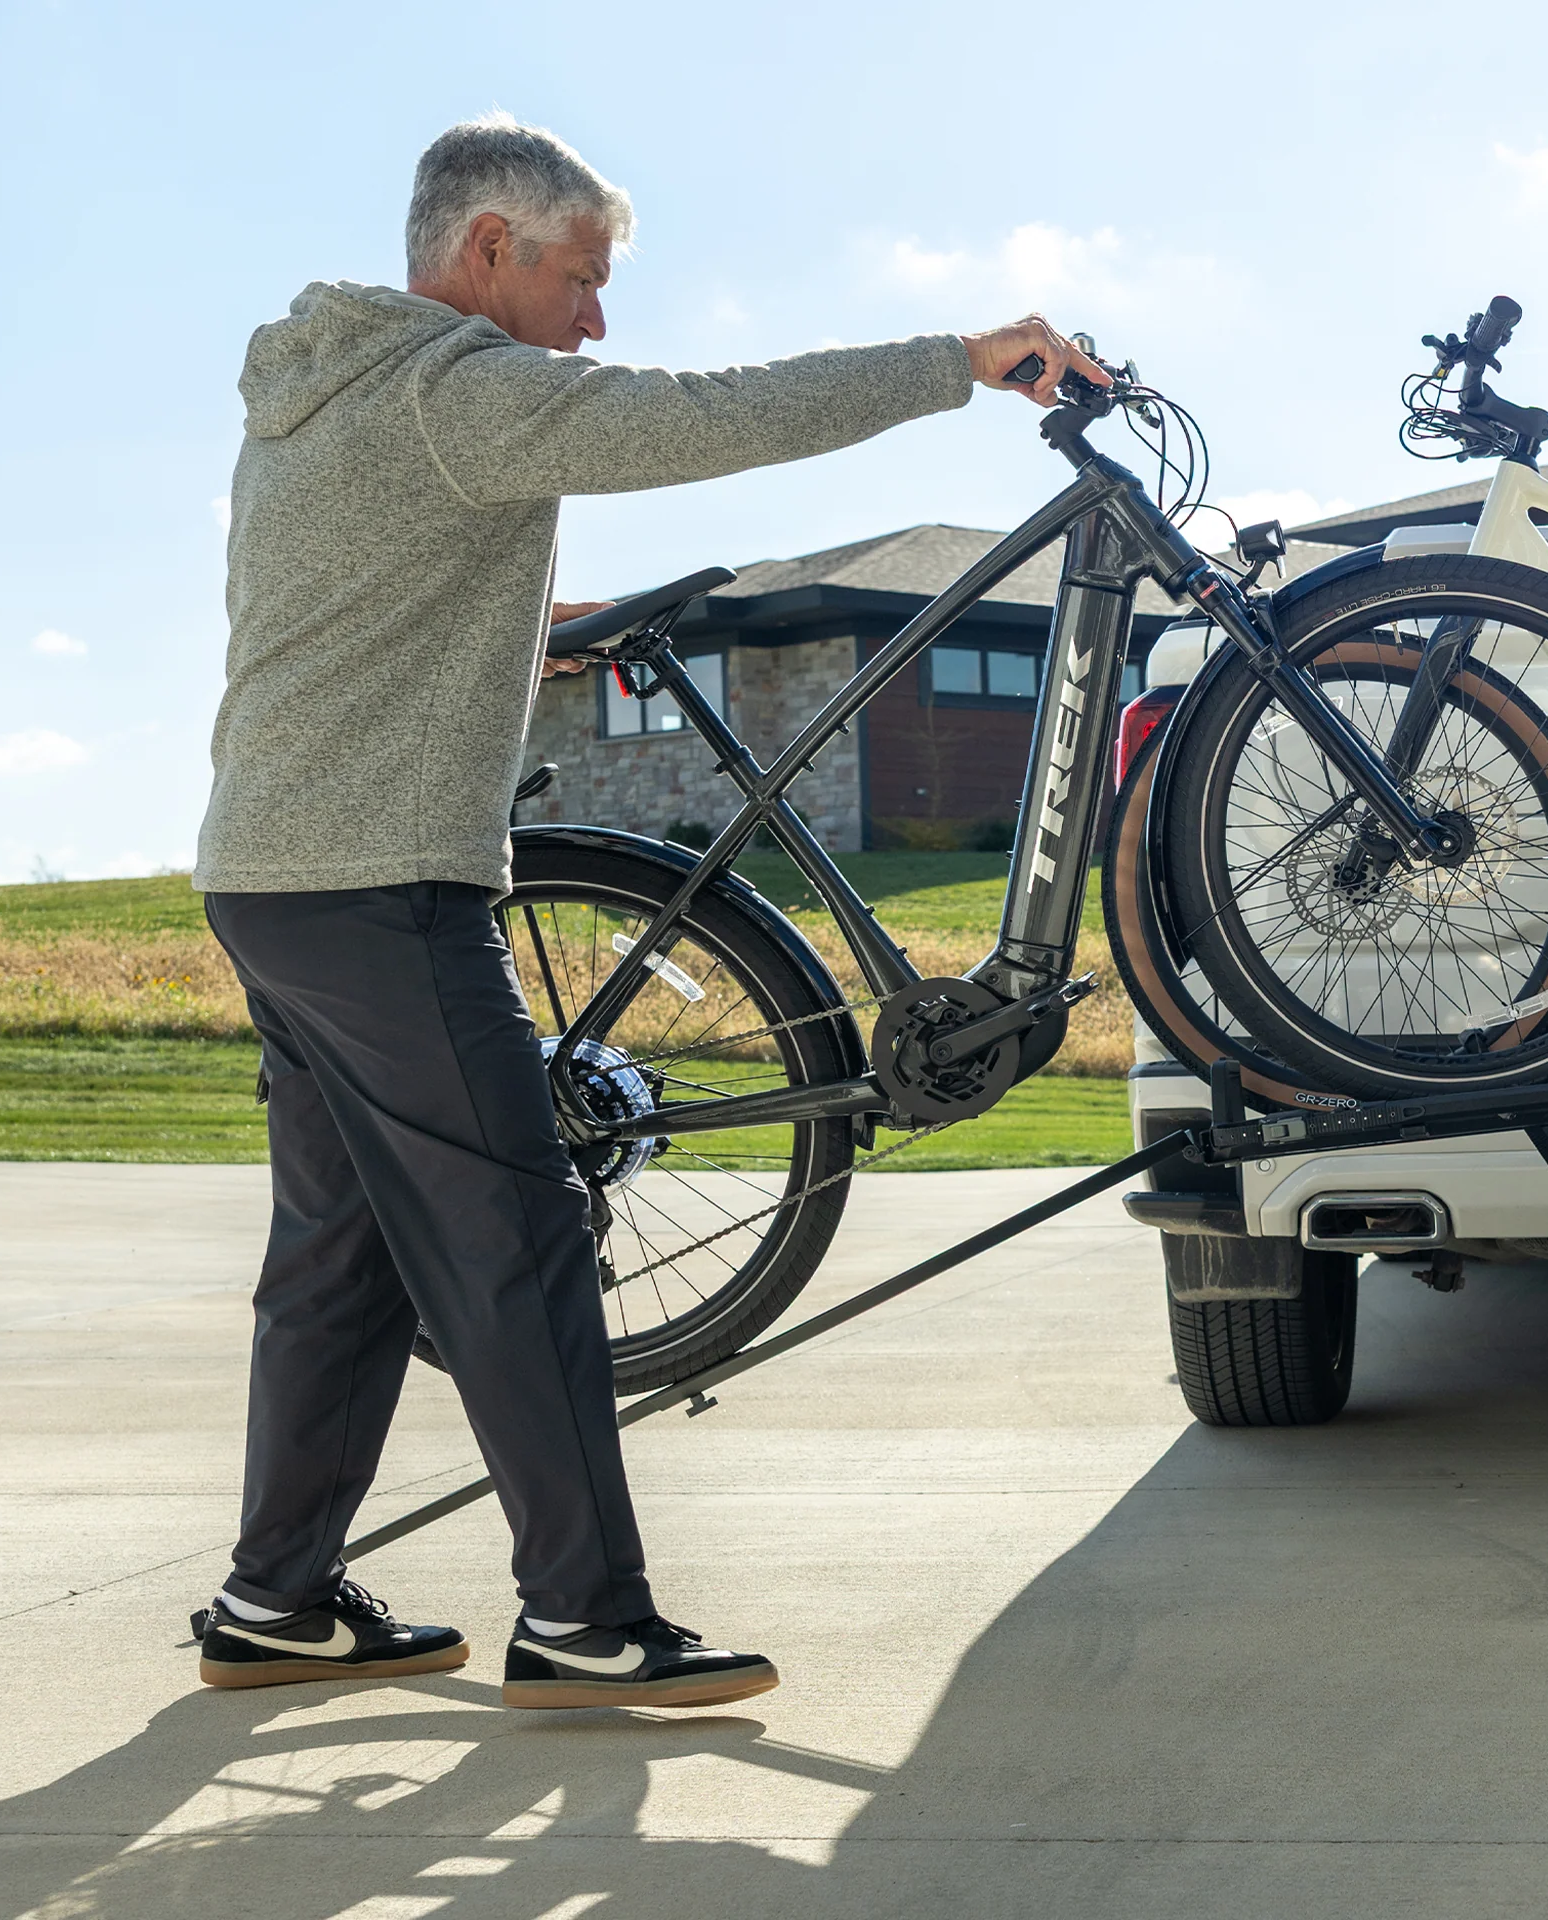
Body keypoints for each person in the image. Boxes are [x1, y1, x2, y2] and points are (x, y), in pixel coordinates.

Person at [188, 111, 1105, 1710]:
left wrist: (510, 633)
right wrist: (956, 360)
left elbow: (349, 597)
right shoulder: (453, 391)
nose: (596, 321)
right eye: (581, 279)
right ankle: (584, 1619)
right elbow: (707, 416)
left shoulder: (322, 393)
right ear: (488, 250)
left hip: (272, 876)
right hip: (383, 882)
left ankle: (274, 1603)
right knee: (521, 1229)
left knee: (343, 1256)